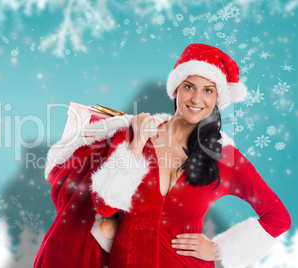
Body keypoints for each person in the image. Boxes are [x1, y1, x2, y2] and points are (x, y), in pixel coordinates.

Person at [34, 44, 291, 268]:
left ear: (217, 99)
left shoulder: (225, 156)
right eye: (189, 86)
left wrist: (218, 249)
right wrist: (135, 147)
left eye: (208, 90)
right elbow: (104, 205)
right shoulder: (135, 133)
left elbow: (278, 217)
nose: (196, 98)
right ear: (175, 89)